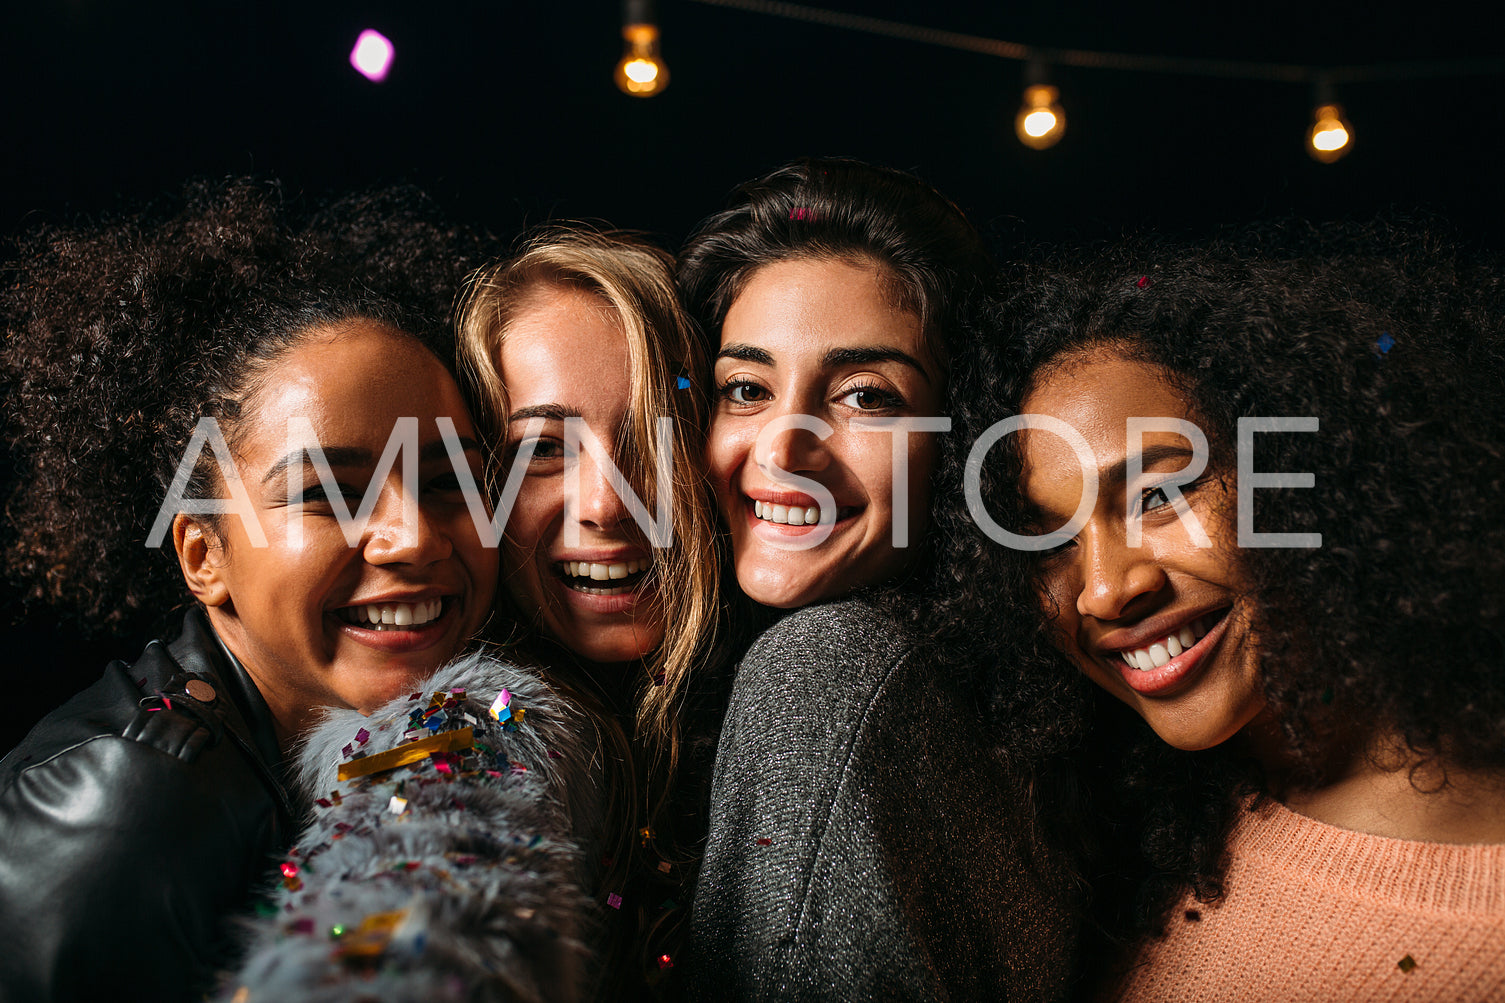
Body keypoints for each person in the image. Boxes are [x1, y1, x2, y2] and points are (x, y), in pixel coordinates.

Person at [0, 179, 499, 1001]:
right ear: (204, 556)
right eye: (327, 493)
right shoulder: (129, 806)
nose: (413, 534)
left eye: (450, 482)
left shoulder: (414, 752)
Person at [974, 227, 1505, 999]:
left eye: (1159, 495)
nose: (1103, 589)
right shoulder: (1120, 837)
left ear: (1302, 474)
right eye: (1045, 543)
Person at [225, 227, 725, 1002]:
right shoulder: (478, 716)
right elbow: (425, 847)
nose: (608, 502)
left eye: (653, 438)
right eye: (543, 451)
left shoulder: (754, 687)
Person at [678, 158, 1081, 1000]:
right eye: (746, 387)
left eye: (865, 395)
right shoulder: (974, 689)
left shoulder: (828, 673)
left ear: (964, 436)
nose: (784, 448)